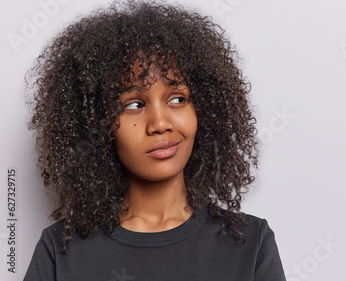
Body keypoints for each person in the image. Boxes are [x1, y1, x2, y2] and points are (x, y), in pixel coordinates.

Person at [23, 1, 286, 280]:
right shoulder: (61, 251)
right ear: (96, 124)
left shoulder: (250, 244)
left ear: (204, 111)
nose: (160, 124)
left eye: (177, 99)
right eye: (134, 104)